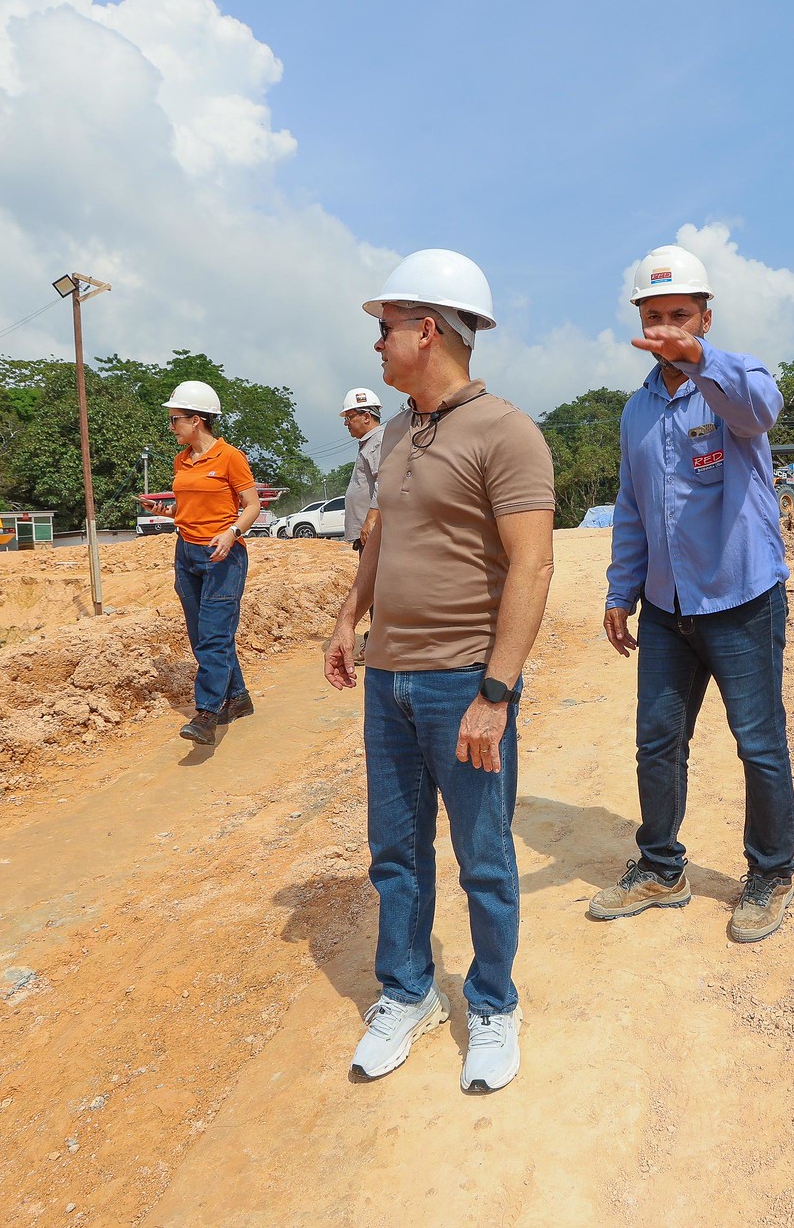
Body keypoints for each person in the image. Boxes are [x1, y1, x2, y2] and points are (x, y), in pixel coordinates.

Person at [325, 249, 556, 1094]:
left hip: (465, 680)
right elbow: (380, 536)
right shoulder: (394, 433)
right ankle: (409, 990)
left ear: (428, 330)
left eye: (385, 329)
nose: (376, 345)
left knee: (483, 852)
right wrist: (351, 617)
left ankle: (492, 1002)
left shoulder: (506, 432)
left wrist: (496, 691)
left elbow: (531, 568)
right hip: (390, 681)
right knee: (397, 849)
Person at [590, 243, 794, 944]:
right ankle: (660, 867)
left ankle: (770, 871)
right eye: (655, 317)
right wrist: (622, 590)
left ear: (706, 317)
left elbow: (763, 410)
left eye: (681, 314)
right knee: (657, 741)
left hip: (741, 598)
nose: (668, 328)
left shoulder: (734, 385)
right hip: (667, 608)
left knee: (758, 744)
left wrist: (703, 361)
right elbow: (630, 505)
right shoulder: (637, 412)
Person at [167, 379, 262, 745]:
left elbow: (252, 505)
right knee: (201, 636)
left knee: (213, 636)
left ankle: (207, 713)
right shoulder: (181, 460)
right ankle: (237, 698)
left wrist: (232, 533)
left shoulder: (230, 457)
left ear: (197, 420)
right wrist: (167, 510)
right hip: (187, 552)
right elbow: (189, 505)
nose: (172, 426)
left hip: (223, 556)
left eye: (175, 419)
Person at [340, 386, 385, 552]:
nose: (346, 423)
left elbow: (384, 481)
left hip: (373, 531)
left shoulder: (378, 441)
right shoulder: (369, 443)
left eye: (349, 417)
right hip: (368, 532)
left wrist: (371, 519)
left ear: (366, 417)